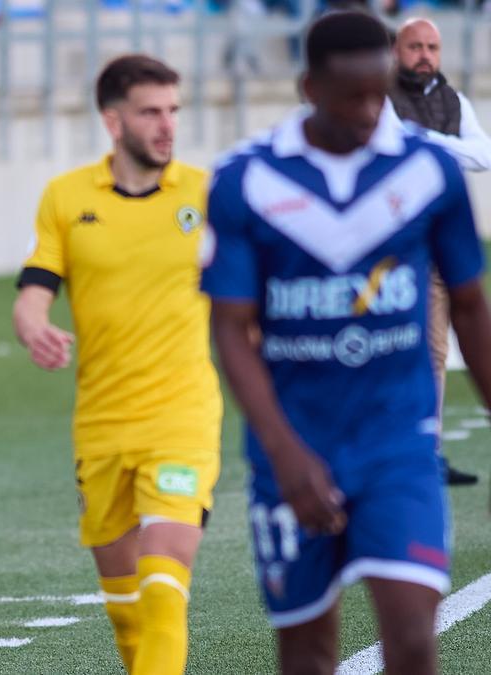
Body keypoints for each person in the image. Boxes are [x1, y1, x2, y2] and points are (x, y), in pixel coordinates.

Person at [203, 11, 491, 674]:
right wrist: (284, 451)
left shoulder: (427, 172)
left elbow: (472, 306)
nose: (370, 110)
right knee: (306, 653)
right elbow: (230, 329)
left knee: (415, 635)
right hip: (293, 446)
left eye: (379, 93)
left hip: (399, 443)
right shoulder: (248, 181)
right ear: (309, 87)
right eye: (353, 95)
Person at [12, 55, 222, 675]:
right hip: (101, 424)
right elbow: (34, 290)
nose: (166, 126)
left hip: (182, 419)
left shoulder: (206, 195)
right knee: (126, 610)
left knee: (163, 592)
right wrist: (34, 328)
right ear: (113, 120)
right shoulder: (67, 197)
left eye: (173, 111)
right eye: (151, 112)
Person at [388, 16, 491, 486]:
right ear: (396, 50)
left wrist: (429, 141)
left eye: (432, 46)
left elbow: (484, 155)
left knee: (435, 352)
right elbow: (394, 146)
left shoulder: (453, 100)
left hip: (441, 243)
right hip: (396, 248)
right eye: (415, 46)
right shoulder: (381, 96)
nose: (425, 55)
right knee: (401, 352)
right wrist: (447, 147)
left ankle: (425, 450)